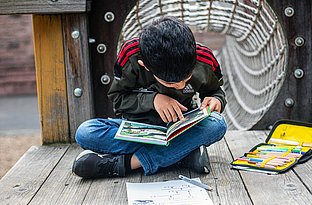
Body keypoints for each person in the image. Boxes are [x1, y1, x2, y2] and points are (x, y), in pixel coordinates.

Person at [72, 16, 227, 178]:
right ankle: (182, 154)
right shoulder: (130, 56)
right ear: (144, 65)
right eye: (171, 83)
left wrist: (216, 100)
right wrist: (153, 100)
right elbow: (118, 99)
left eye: (186, 79)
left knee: (217, 124)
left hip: (181, 128)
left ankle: (127, 164)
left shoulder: (205, 59)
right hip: (138, 128)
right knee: (85, 132)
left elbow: (216, 92)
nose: (181, 86)